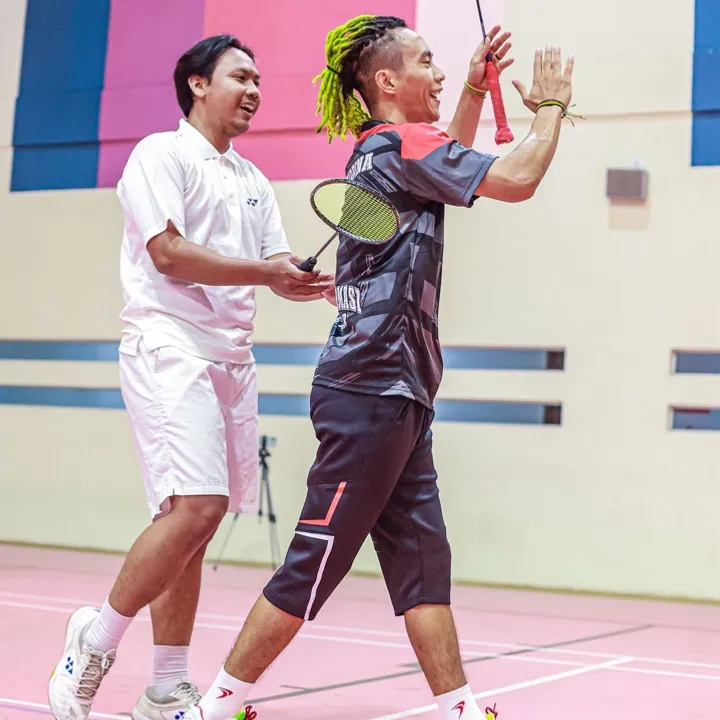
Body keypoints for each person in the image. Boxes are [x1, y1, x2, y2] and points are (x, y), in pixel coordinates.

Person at [47, 34, 334, 720]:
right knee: (199, 508)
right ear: (198, 84)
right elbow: (169, 253)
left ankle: (166, 685)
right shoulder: (160, 155)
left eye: (259, 80)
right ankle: (94, 640)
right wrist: (267, 272)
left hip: (233, 358)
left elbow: (272, 266)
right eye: (241, 76)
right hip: (169, 346)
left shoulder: (252, 180)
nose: (256, 90)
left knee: (191, 525)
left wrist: (310, 282)